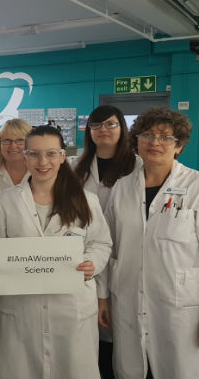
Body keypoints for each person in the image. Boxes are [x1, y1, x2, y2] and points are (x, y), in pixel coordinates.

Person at [99, 107, 199, 379]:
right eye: (147, 135)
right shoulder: (122, 188)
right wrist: (102, 295)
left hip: (183, 309)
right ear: (136, 141)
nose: (155, 142)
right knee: (131, 369)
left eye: (166, 137)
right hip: (127, 299)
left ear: (179, 146)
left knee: (184, 370)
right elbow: (108, 247)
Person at [0, 125, 112, 379]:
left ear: (63, 156)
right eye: (34, 154)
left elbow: (101, 243)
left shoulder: (86, 200)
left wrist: (91, 263)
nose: (42, 162)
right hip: (21, 310)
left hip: (71, 309)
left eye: (51, 154)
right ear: (25, 156)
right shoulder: (7, 200)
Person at [73, 105, 137, 379]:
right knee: (93, 326)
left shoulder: (138, 165)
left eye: (110, 124)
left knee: (126, 325)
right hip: (87, 250)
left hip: (127, 250)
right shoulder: (76, 166)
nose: (103, 130)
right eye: (96, 125)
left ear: (122, 128)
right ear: (89, 131)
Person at [0, 118, 32, 356]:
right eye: (7, 141)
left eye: (20, 140)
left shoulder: (41, 175)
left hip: (33, 259)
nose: (13, 146)